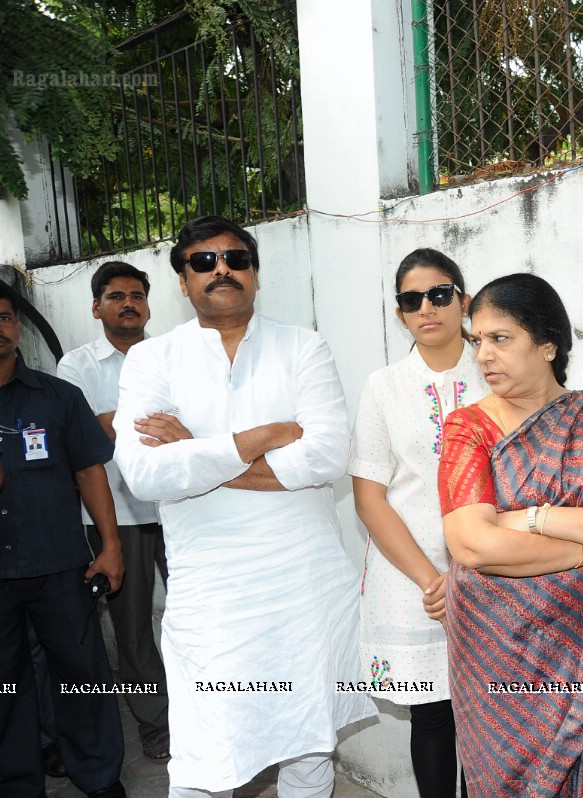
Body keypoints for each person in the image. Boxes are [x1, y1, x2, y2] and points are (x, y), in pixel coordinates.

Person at [112, 216, 374, 797]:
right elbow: (147, 473)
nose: (221, 269)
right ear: (183, 281)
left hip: (305, 583)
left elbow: (326, 456)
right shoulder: (153, 360)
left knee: (310, 741)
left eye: (236, 258)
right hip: (214, 594)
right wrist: (261, 437)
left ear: (255, 274)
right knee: (207, 754)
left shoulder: (304, 346)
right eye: (203, 262)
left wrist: (195, 452)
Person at [437, 274, 583, 798]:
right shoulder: (468, 427)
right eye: (477, 339)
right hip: (494, 653)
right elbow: (473, 544)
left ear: (548, 345)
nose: (483, 354)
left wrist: (530, 518)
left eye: (500, 338)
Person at [349, 248, 481, 797]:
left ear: (463, 300)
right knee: (433, 716)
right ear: (399, 313)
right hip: (411, 577)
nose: (427, 307)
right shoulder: (383, 386)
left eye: (439, 294)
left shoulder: (496, 370)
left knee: (490, 712)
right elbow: (369, 497)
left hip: (496, 566)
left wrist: (473, 570)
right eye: (411, 299)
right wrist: (432, 580)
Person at [0, 280, 127, 798]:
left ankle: (99, 778)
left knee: (83, 678)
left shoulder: (58, 397)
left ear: (17, 328)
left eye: (5, 317)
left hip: (59, 566)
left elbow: (90, 472)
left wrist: (112, 546)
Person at [58, 261, 171, 763]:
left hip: (183, 507)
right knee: (132, 630)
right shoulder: (76, 367)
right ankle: (156, 727)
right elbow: (88, 435)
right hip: (117, 517)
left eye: (137, 295)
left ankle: (209, 714)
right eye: (116, 295)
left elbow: (191, 423)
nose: (129, 303)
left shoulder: (174, 354)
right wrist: (147, 424)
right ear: (96, 305)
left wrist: (116, 421)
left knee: (204, 613)